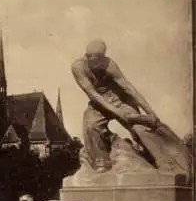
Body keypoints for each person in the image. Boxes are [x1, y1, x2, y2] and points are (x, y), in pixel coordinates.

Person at [71, 40, 188, 175]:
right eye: (94, 59)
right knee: (91, 126)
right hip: (99, 101)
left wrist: (150, 112)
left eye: (101, 58)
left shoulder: (110, 65)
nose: (98, 63)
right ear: (86, 56)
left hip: (119, 99)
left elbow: (129, 88)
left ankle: (161, 160)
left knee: (140, 128)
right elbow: (92, 93)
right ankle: (101, 161)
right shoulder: (78, 67)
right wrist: (118, 113)